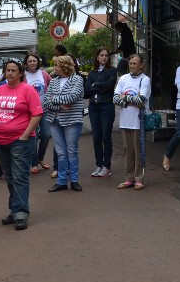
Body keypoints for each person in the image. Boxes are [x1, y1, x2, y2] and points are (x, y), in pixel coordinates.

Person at [0, 59, 43, 230]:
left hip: (21, 141)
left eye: (13, 70)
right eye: (7, 70)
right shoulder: (0, 90)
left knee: (20, 177)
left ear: (20, 73)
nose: (10, 73)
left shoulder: (28, 90)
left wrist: (25, 135)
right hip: (1, 140)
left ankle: (21, 213)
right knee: (10, 177)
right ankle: (14, 209)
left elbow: (37, 114)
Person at [41, 55, 85, 192]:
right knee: (61, 152)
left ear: (64, 66)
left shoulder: (77, 79)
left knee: (72, 151)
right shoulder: (53, 81)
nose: (54, 68)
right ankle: (61, 181)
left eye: (56, 65)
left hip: (72, 120)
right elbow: (46, 102)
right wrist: (60, 105)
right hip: (54, 120)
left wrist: (54, 98)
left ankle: (74, 180)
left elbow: (72, 97)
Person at [113, 54, 151, 190]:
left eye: (135, 63)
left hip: (138, 121)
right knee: (127, 150)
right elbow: (115, 98)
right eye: (130, 63)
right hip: (125, 121)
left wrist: (124, 97)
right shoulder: (123, 78)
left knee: (138, 150)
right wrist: (132, 100)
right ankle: (129, 178)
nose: (132, 66)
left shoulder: (145, 80)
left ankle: (139, 179)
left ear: (141, 65)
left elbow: (142, 100)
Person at [85, 47, 117, 177]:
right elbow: (87, 90)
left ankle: (106, 166)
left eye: (106, 55)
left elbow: (110, 85)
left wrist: (95, 85)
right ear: (97, 57)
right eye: (101, 55)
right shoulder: (92, 72)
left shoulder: (112, 70)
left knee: (105, 137)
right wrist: (98, 86)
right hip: (94, 106)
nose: (104, 57)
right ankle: (99, 164)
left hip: (106, 106)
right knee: (96, 137)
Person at [23, 53, 51, 174]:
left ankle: (40, 158)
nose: (32, 63)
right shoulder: (23, 75)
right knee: (33, 138)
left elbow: (52, 85)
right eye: (30, 61)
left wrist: (51, 98)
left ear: (38, 62)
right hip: (30, 113)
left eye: (34, 61)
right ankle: (33, 163)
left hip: (44, 110)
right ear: (26, 63)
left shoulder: (43, 74)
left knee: (46, 135)